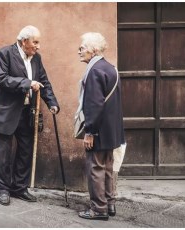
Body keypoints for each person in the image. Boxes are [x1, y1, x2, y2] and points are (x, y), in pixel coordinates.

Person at [0, 25, 60, 206]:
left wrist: (52, 103)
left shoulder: (36, 59)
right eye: (35, 42)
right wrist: (27, 83)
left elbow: (44, 82)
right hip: (5, 112)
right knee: (3, 154)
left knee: (25, 152)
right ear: (24, 41)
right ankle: (3, 189)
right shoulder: (4, 54)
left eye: (38, 42)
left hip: (27, 112)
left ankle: (19, 188)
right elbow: (1, 79)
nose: (38, 46)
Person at [75, 32, 125, 220]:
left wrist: (90, 132)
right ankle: (110, 204)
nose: (79, 51)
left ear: (94, 50)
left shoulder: (94, 70)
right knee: (107, 167)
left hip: (99, 130)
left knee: (95, 168)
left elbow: (94, 104)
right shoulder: (110, 68)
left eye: (82, 47)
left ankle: (98, 209)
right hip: (111, 130)